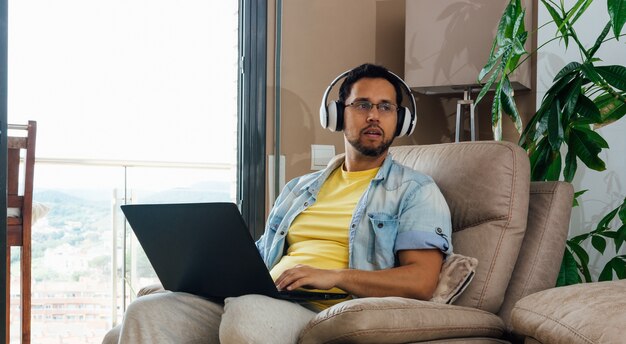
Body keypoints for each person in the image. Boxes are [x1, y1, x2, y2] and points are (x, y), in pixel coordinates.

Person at [103, 63, 452, 344]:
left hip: (322, 310)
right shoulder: (299, 188)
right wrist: (201, 272)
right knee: (146, 310)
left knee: (248, 313)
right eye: (362, 105)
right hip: (259, 297)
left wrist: (334, 276)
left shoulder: (414, 190)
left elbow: (421, 280)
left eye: (385, 107)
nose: (374, 115)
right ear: (337, 116)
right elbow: (262, 254)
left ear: (400, 120)